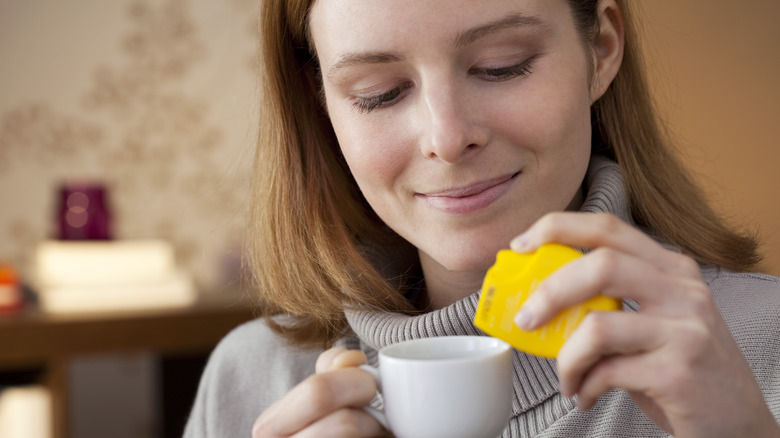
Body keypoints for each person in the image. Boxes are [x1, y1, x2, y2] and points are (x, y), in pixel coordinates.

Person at [184, 0, 780, 436]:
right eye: (379, 92)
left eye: (502, 65)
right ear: (323, 105)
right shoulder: (248, 381)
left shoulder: (760, 352)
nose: (446, 138)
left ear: (600, 49)